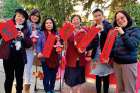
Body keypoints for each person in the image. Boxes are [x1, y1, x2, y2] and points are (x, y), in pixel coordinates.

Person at [64, 15, 97, 93]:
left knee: (80, 76)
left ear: (80, 21)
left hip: (81, 57)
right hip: (71, 57)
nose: (76, 21)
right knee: (71, 77)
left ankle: (78, 90)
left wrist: (86, 48)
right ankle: (71, 91)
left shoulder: (85, 31)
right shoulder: (68, 31)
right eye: (74, 20)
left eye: (77, 19)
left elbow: (90, 42)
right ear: (72, 22)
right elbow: (64, 41)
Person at [1, 9, 32, 93]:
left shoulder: (26, 29)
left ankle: (19, 91)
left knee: (19, 78)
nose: (20, 18)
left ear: (25, 19)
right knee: (9, 77)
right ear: (15, 16)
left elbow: (29, 44)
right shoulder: (8, 25)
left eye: (23, 17)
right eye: (18, 16)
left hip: (20, 58)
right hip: (8, 56)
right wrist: (5, 28)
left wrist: (23, 37)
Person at [111, 10, 140, 93]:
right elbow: (114, 47)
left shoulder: (135, 30)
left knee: (129, 90)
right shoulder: (117, 32)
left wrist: (123, 34)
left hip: (128, 65)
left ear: (127, 18)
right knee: (120, 89)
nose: (120, 20)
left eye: (122, 17)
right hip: (117, 64)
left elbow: (132, 45)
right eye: (117, 19)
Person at [36, 17, 63, 93]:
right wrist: (39, 53)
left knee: (53, 76)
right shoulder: (41, 33)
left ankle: (51, 89)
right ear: (44, 25)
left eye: (50, 23)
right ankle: (47, 90)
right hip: (45, 58)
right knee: (47, 75)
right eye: (47, 23)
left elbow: (60, 45)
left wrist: (59, 40)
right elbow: (38, 45)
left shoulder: (57, 33)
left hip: (55, 58)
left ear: (53, 24)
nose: (48, 24)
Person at [91, 9, 113, 93]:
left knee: (106, 76)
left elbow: (111, 39)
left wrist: (102, 30)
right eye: (95, 16)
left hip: (106, 55)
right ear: (94, 17)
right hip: (96, 55)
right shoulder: (93, 27)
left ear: (103, 16)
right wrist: (85, 48)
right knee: (98, 76)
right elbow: (92, 42)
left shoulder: (108, 26)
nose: (97, 17)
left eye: (99, 15)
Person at [24, 9, 41, 92]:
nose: (35, 17)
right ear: (30, 15)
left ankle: (26, 88)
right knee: (20, 68)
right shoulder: (25, 23)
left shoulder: (40, 27)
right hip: (22, 49)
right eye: (33, 15)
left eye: (37, 16)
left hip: (32, 51)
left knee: (28, 69)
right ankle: (18, 85)